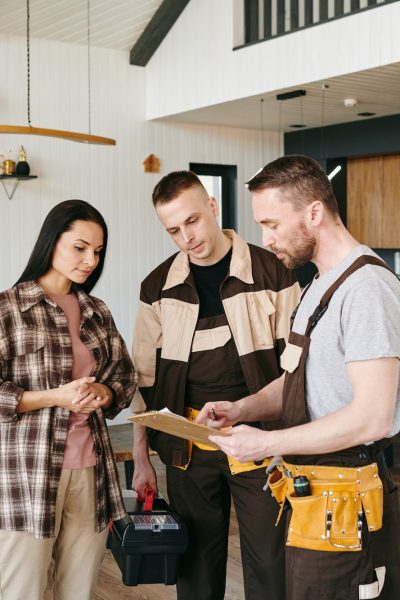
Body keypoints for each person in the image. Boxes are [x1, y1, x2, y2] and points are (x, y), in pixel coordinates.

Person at [197, 155, 400, 600]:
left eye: (271, 224)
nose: (265, 239)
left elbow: (373, 418)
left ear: (314, 212)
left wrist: (267, 443)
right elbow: (296, 380)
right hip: (312, 494)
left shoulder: (366, 289)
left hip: (350, 500)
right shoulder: (316, 287)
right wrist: (242, 408)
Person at [131, 170, 300, 600]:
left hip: (262, 442)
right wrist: (141, 456)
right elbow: (144, 379)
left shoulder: (272, 272)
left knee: (270, 563)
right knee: (197, 569)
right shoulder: (156, 289)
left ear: (212, 206)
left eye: (192, 221)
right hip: (188, 449)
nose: (186, 236)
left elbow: (297, 369)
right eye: (173, 230)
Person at [0, 199, 136, 600]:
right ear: (51, 241)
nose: (90, 260)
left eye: (98, 250)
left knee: (79, 591)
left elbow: (124, 375)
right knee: (20, 591)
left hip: (92, 471)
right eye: (80, 247)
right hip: (28, 474)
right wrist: (55, 397)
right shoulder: (8, 309)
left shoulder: (96, 310)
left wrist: (104, 391)